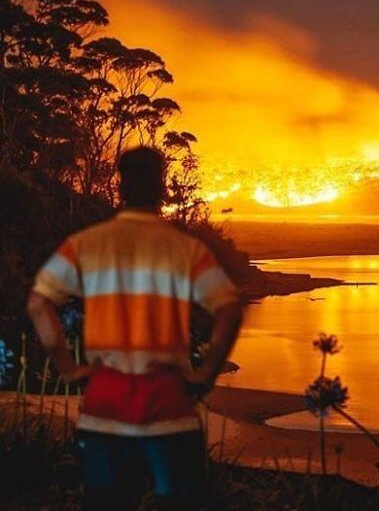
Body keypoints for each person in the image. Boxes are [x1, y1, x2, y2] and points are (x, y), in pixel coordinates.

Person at [27, 146, 243, 510]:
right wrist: (206, 372)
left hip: (104, 409)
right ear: (161, 187)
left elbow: (38, 303)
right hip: (168, 407)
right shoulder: (184, 248)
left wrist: (68, 367)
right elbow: (230, 308)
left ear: (120, 185)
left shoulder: (85, 245)